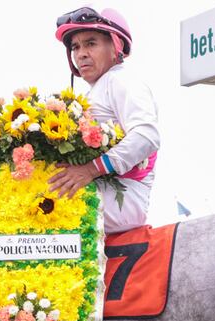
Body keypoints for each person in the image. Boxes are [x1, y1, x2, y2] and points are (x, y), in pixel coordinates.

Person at [48, 6, 160, 235]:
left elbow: (147, 136)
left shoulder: (121, 80)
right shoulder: (97, 90)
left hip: (124, 198)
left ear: (115, 46)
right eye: (75, 47)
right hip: (101, 189)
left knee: (33, 205)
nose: (81, 54)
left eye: (91, 43)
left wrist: (90, 169)